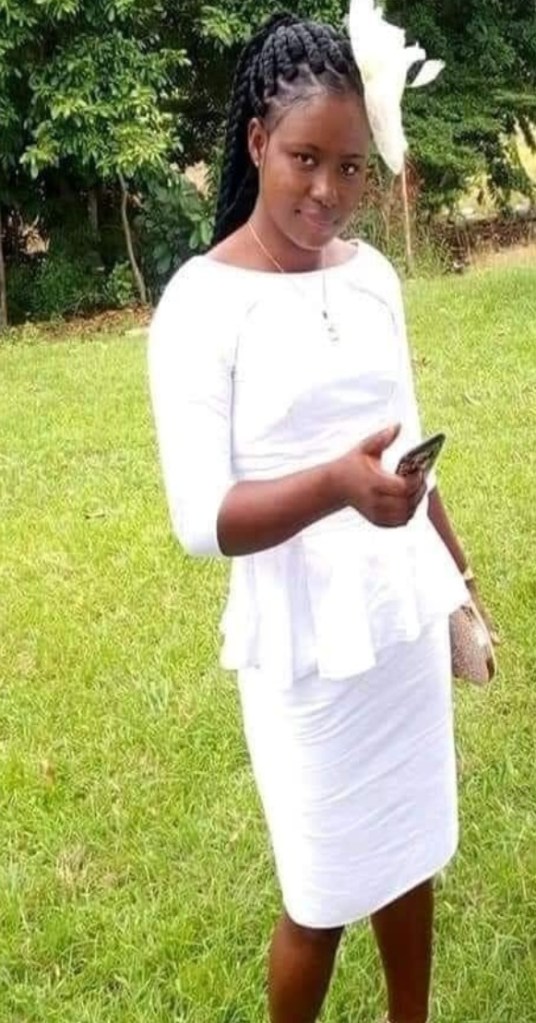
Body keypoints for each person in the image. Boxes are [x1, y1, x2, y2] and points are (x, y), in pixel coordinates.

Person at [148, 12, 493, 1023]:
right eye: (306, 158)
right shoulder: (202, 305)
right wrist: (336, 486)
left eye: (350, 167)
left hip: (396, 618)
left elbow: (411, 440)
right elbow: (202, 519)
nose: (327, 191)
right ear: (258, 140)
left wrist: (459, 579)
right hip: (303, 640)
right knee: (322, 892)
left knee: (409, 856)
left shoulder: (373, 276)